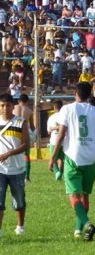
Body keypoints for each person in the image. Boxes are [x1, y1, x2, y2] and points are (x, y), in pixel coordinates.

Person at [48, 82, 95, 240]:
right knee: (85, 195)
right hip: (91, 158)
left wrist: (53, 156)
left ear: (75, 92)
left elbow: (61, 134)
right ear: (89, 95)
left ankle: (87, 224)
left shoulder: (67, 109)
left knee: (74, 195)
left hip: (73, 157)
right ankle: (78, 230)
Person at [0, 93, 30, 237]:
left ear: (13, 106)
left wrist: (9, 153)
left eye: (7, 105)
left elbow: (25, 144)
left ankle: (20, 226)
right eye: (2, 105)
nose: (5, 108)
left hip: (17, 169)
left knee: (19, 200)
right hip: (0, 169)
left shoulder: (20, 122)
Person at [13, 94, 35, 182]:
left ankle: (13, 173)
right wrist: (35, 134)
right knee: (26, 155)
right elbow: (32, 126)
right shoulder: (29, 111)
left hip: (14, 132)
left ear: (19, 101)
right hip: (25, 132)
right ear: (27, 101)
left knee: (13, 154)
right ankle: (27, 176)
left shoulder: (13, 107)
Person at [47, 100, 64, 181]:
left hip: (54, 141)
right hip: (64, 141)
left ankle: (57, 172)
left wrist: (53, 129)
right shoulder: (65, 116)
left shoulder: (51, 117)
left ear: (54, 107)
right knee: (62, 159)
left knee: (53, 158)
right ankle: (61, 172)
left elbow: (48, 131)